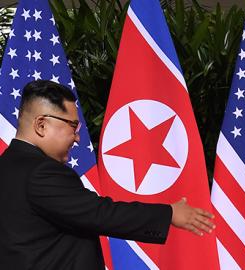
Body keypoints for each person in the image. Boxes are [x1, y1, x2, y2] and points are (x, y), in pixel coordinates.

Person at [0, 80, 215, 269]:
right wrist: (169, 213)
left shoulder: (7, 165)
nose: (76, 138)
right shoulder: (41, 172)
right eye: (73, 126)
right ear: (41, 125)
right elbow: (100, 213)